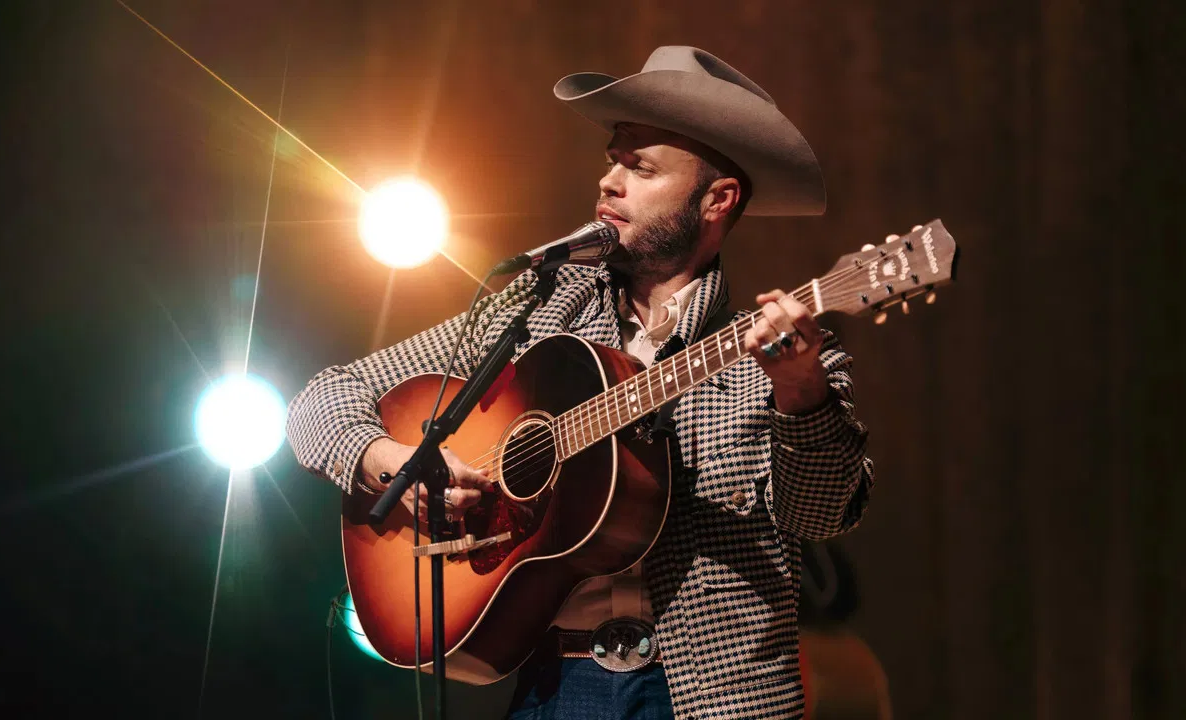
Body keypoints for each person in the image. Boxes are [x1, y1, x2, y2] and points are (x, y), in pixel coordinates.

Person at [287, 46, 875, 720]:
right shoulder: (535, 312)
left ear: (717, 199)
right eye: (612, 160)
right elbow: (318, 399)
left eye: (640, 167)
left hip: (710, 699)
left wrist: (800, 393)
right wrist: (387, 460)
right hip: (551, 687)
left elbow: (819, 515)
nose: (609, 183)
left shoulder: (784, 366)